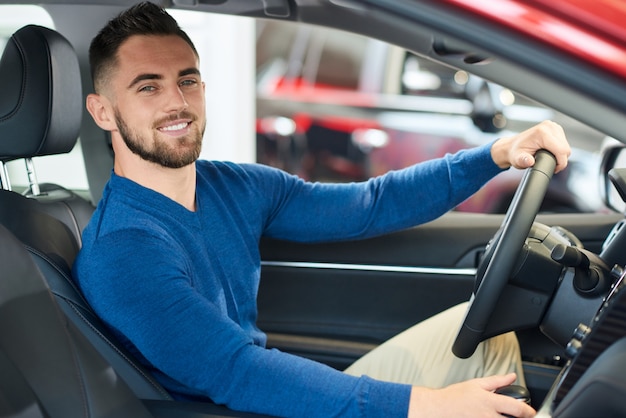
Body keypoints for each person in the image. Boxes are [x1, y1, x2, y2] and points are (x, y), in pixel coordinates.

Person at [73, 2, 571, 417]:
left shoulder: (234, 185)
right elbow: (237, 371)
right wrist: (423, 405)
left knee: (492, 336)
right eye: (148, 87)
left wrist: (494, 155)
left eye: (188, 80)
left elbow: (369, 205)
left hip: (274, 401)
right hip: (245, 406)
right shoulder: (124, 248)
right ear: (102, 112)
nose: (177, 103)